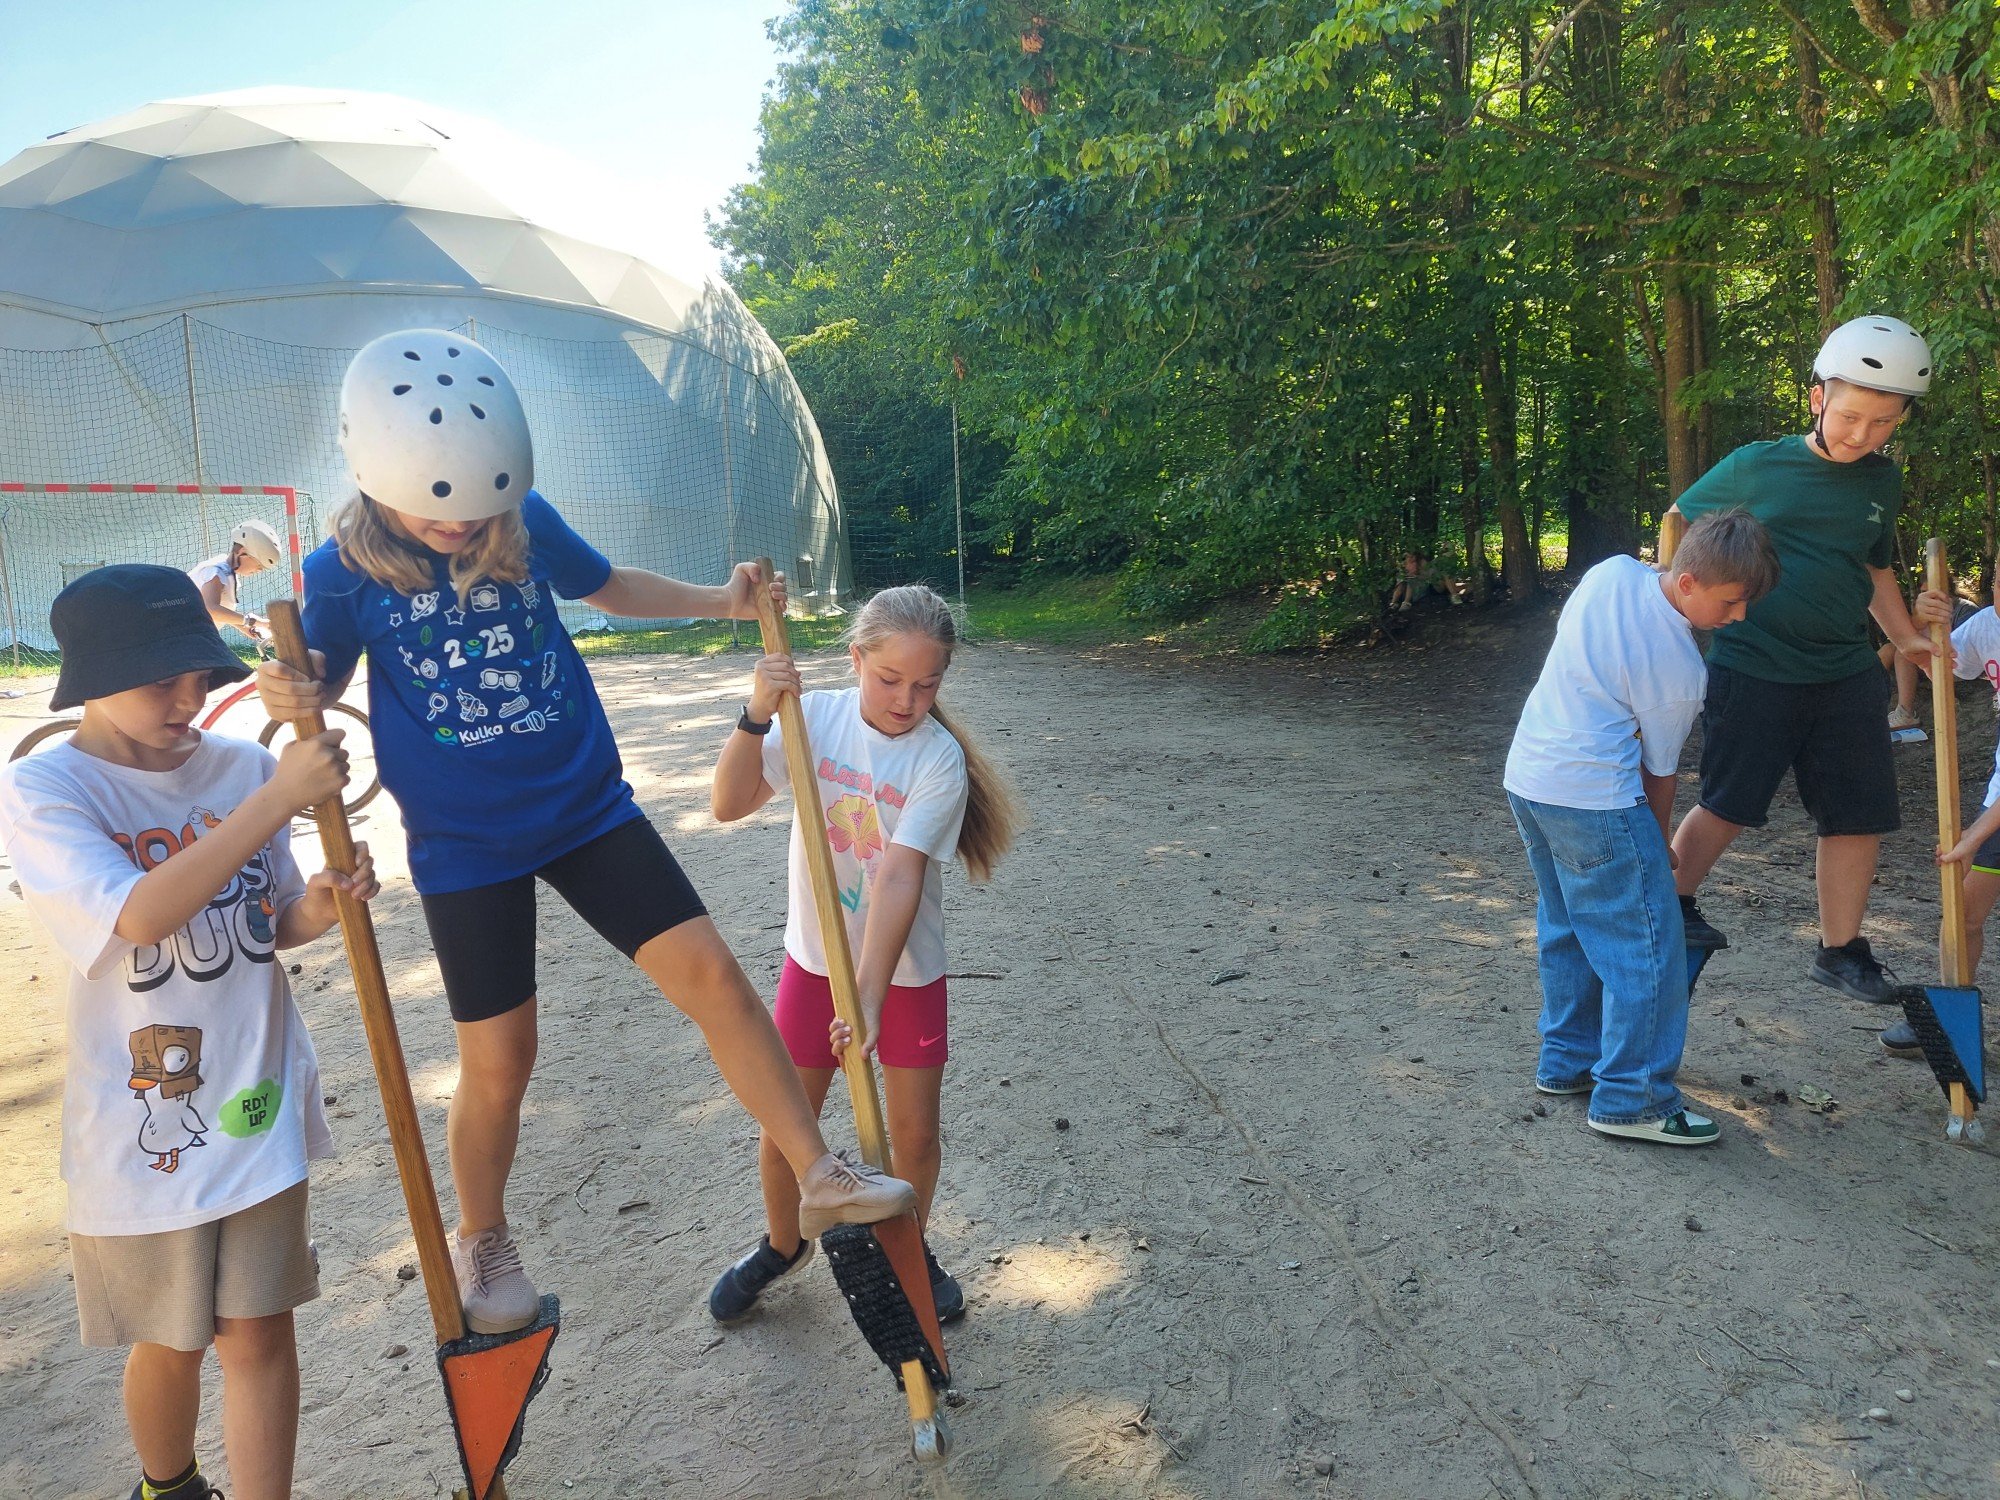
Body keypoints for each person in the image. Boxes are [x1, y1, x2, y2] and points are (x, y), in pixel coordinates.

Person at [255, 329, 916, 1336]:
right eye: (438, 509)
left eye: (479, 504)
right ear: (377, 473)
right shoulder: (340, 575)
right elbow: (316, 686)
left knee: (715, 979)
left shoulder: (522, 523)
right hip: (465, 846)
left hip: (585, 808)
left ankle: (817, 1172)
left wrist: (722, 604)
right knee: (501, 1058)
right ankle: (484, 1236)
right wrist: (289, 686)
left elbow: (607, 586)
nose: (461, 525)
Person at [0, 564, 375, 1500]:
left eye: (199, 676)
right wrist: (275, 801)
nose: (188, 698)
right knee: (172, 1340)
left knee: (260, 1331)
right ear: (90, 678)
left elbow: (271, 919)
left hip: (254, 1099)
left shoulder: (243, 768)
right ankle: (169, 1486)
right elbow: (137, 915)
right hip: (139, 1129)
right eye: (159, 679)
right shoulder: (46, 789)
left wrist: (323, 904)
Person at [705, 584, 1019, 1322]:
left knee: (914, 1136)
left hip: (905, 974)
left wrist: (870, 996)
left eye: (926, 684)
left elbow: (900, 875)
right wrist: (756, 714)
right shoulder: (811, 719)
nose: (907, 700)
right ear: (855, 660)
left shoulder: (938, 759)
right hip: (814, 963)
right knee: (787, 1129)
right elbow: (727, 803)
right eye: (889, 679)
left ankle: (907, 1248)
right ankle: (784, 1244)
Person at [1665, 315, 1952, 1002]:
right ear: (1818, 398)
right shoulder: (1756, 465)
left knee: (1858, 814)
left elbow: (1872, 568)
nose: (1862, 435)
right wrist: (1677, 620)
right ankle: (1668, 905)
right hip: (1753, 662)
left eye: (1883, 423)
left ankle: (1841, 951)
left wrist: (1906, 638)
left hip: (1845, 671)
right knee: (1729, 803)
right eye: (1851, 416)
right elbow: (1680, 527)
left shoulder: (1881, 482)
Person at [1505, 511, 1780, 1144]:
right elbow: (1660, 774)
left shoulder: (1610, 573)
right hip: (1595, 799)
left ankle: (1567, 1062)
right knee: (1649, 947)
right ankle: (1634, 1099)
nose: (1739, 616)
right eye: (1731, 601)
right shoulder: (1679, 669)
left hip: (1531, 779)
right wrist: (1658, 846)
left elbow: (1643, 577)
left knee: (1567, 925)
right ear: (1688, 582)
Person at [1884, 598, 2000, 1055]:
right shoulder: (1989, 626)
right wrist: (1918, 621)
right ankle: (1950, 1019)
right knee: (1963, 911)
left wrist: (1974, 835)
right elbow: (1934, 663)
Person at [188, 519, 283, 642]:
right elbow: (211, 609)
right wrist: (251, 621)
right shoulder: (216, 572)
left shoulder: (227, 572)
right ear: (242, 553)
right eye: (259, 564)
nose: (259, 570)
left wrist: (243, 626)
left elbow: (221, 611)